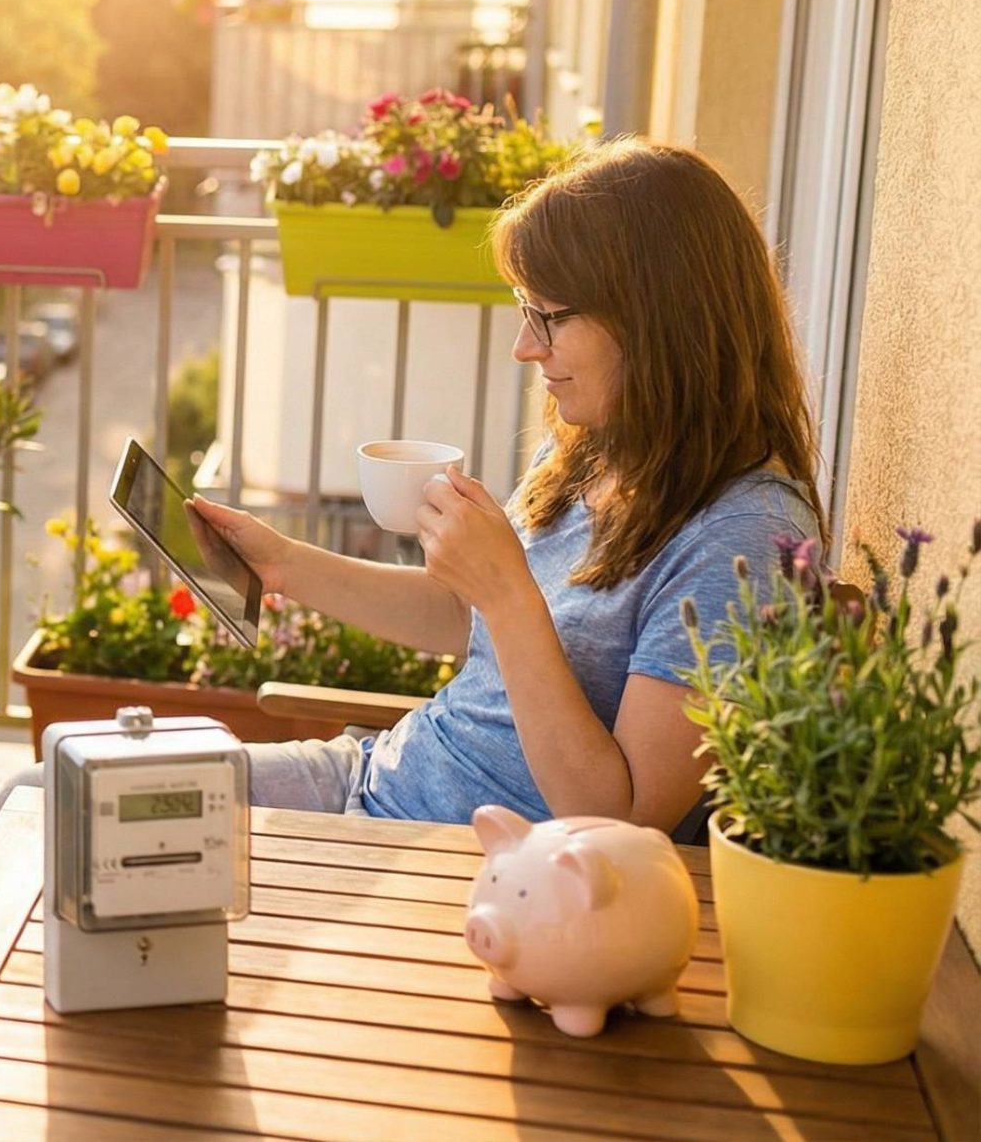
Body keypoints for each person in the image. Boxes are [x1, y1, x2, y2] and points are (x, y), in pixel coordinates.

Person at [188, 139, 823, 842]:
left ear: (655, 318)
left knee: (103, 823)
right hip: (374, 778)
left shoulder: (742, 542)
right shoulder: (600, 445)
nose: (525, 344)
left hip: (463, 859)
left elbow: (624, 818)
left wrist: (506, 590)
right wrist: (282, 565)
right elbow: (467, 618)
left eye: (548, 315)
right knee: (60, 785)